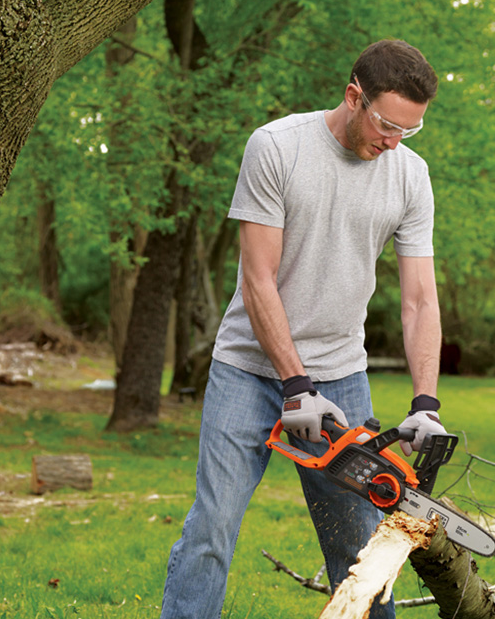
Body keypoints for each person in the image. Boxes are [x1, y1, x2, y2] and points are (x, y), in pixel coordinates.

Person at [160, 40, 445, 619]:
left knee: (358, 543)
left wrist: (425, 402)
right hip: (248, 369)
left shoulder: (410, 177)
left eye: (407, 132)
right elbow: (259, 278)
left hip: (341, 377)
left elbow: (418, 299)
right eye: (387, 124)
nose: (392, 142)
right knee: (212, 527)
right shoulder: (277, 147)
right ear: (353, 95)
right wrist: (294, 385)